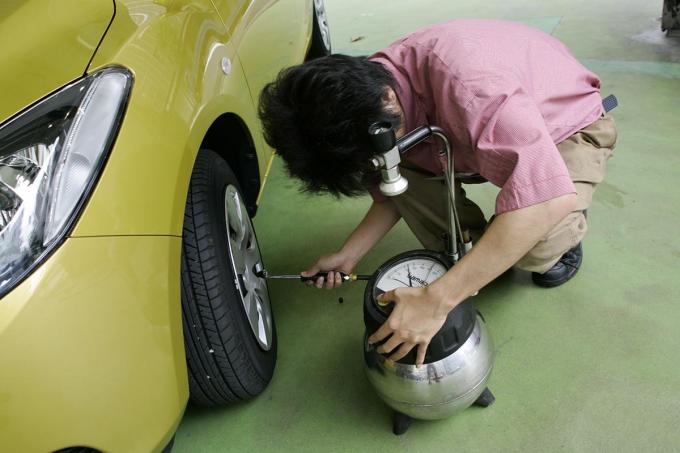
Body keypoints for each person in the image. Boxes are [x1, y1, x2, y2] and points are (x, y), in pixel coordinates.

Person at [258, 19, 617, 366]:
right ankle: (486, 251)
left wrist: (437, 299)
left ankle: (564, 232)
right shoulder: (359, 101)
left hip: (564, 127)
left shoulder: (473, 88)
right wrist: (349, 253)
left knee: (535, 247)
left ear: (387, 99)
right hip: (465, 138)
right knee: (405, 175)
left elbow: (546, 197)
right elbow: (393, 189)